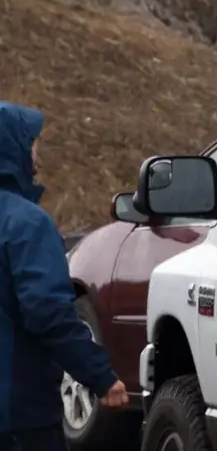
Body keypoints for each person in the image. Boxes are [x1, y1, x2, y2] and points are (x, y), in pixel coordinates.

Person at [0, 102, 128, 450]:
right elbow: (47, 313)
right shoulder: (26, 224)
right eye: (32, 141)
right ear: (13, 149)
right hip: (18, 417)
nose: (37, 149)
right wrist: (100, 376)